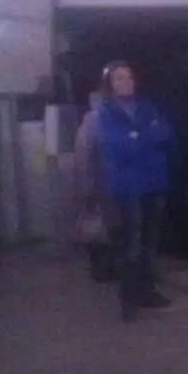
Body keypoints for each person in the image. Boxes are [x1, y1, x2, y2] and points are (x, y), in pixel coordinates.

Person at [96, 61, 174, 322]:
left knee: (151, 241)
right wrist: (146, 136)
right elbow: (117, 148)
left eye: (129, 77)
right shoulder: (106, 112)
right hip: (128, 187)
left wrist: (137, 137)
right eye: (119, 78)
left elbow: (166, 135)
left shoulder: (148, 106)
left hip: (155, 182)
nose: (126, 82)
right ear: (110, 84)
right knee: (132, 243)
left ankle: (146, 291)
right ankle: (128, 299)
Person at [74, 89, 122, 282]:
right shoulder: (96, 123)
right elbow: (85, 159)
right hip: (102, 187)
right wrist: (89, 189)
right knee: (102, 229)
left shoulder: (88, 124)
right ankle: (103, 269)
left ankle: (103, 269)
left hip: (103, 186)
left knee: (101, 229)